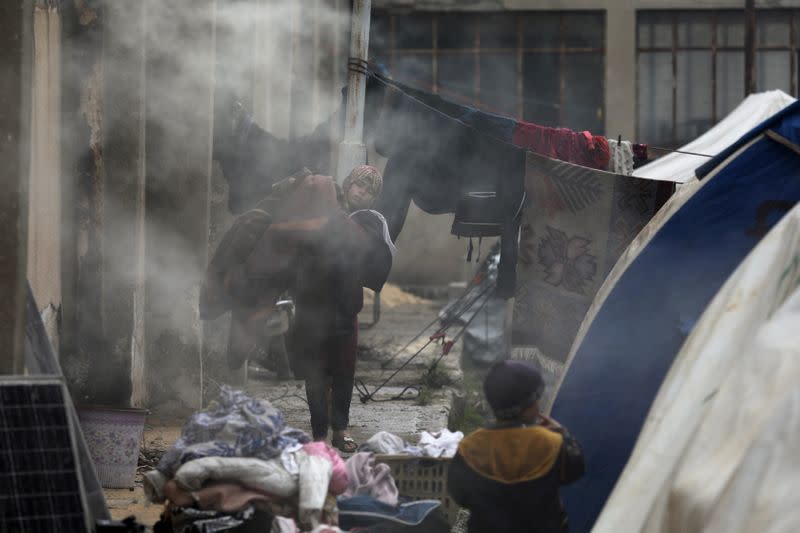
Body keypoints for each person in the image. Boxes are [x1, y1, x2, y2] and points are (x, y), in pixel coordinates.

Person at [289, 166, 392, 453]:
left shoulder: (369, 222)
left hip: (345, 307)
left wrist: (338, 220)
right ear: (347, 186)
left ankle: (340, 430)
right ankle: (319, 434)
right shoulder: (323, 211)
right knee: (315, 371)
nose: (363, 193)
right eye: (359, 185)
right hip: (312, 304)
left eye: (370, 191)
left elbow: (368, 251)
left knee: (344, 371)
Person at [447, 360, 585, 532]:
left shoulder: (471, 446)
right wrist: (563, 434)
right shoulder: (551, 442)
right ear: (529, 407)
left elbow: (458, 492)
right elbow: (575, 469)